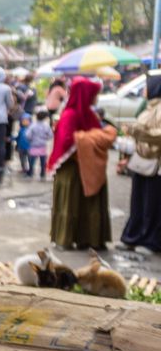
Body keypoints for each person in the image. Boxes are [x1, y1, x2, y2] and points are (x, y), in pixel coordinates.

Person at [48, 77, 116, 250]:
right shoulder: (70, 115)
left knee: (88, 204)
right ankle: (66, 238)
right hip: (71, 170)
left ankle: (89, 239)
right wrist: (92, 138)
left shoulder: (89, 114)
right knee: (70, 205)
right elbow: (67, 142)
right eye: (94, 94)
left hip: (87, 167)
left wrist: (95, 138)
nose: (96, 98)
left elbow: (93, 135)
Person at [121, 72, 161, 252]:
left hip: (155, 164)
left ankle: (150, 241)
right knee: (138, 203)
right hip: (142, 162)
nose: (144, 90)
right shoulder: (149, 108)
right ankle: (133, 237)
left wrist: (138, 132)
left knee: (151, 205)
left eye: (147, 86)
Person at [24, 109, 53, 179]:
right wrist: (45, 138)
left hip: (34, 146)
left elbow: (27, 135)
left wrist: (30, 140)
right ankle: (42, 173)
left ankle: (30, 173)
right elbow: (50, 135)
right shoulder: (46, 126)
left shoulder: (33, 125)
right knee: (43, 161)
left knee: (31, 161)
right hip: (42, 146)